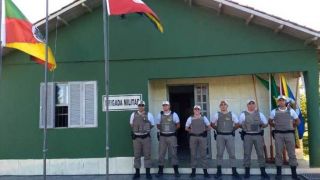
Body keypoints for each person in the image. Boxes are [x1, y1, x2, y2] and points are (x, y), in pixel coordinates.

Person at [269, 95, 300, 180]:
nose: (281, 102)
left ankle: (294, 173)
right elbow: (270, 121)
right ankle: (279, 173)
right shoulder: (274, 111)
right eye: (280, 101)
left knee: (292, 153)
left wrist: (292, 126)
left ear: (285, 102)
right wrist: (276, 126)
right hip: (278, 134)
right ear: (278, 102)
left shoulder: (291, 111)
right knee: (278, 153)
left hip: (289, 134)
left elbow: (298, 120)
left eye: (283, 100)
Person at [239, 99, 269, 178]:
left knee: (260, 153)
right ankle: (247, 171)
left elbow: (266, 124)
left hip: (258, 136)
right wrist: (245, 128)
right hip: (247, 136)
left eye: (253, 103)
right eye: (250, 103)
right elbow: (239, 124)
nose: (251, 105)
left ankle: (263, 171)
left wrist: (261, 126)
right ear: (247, 105)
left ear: (255, 105)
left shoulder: (260, 114)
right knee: (247, 153)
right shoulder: (243, 114)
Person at [211, 100, 240, 178]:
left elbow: (237, 124)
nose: (223, 106)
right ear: (220, 106)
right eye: (221, 105)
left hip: (229, 136)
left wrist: (232, 129)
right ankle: (219, 171)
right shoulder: (217, 114)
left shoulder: (232, 114)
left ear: (227, 106)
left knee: (232, 154)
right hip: (220, 136)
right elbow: (212, 124)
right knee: (219, 154)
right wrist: (218, 129)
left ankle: (234, 171)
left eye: (225, 104)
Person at [130, 100, 155, 179]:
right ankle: (137, 173)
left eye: (142, 105)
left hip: (146, 138)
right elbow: (131, 124)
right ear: (138, 106)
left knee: (147, 155)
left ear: (144, 106)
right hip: (137, 138)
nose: (141, 107)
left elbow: (152, 125)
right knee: (137, 155)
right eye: (139, 105)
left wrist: (145, 129)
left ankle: (148, 173)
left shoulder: (149, 114)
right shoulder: (133, 114)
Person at [156, 101, 181, 177]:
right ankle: (160, 171)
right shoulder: (160, 114)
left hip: (172, 136)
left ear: (169, 106)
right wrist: (162, 130)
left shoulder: (174, 114)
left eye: (166, 105)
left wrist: (173, 130)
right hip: (163, 136)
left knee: (174, 153)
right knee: (161, 154)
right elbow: (158, 125)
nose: (165, 107)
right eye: (163, 105)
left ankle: (176, 171)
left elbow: (178, 125)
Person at [185, 105, 211, 178]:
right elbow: (186, 128)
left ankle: (205, 171)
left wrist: (204, 130)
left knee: (203, 154)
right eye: (195, 109)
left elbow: (209, 127)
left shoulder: (204, 118)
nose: (196, 110)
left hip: (202, 137)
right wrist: (192, 131)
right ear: (193, 110)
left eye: (198, 109)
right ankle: (193, 171)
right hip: (193, 137)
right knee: (193, 154)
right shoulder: (190, 118)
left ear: (200, 111)